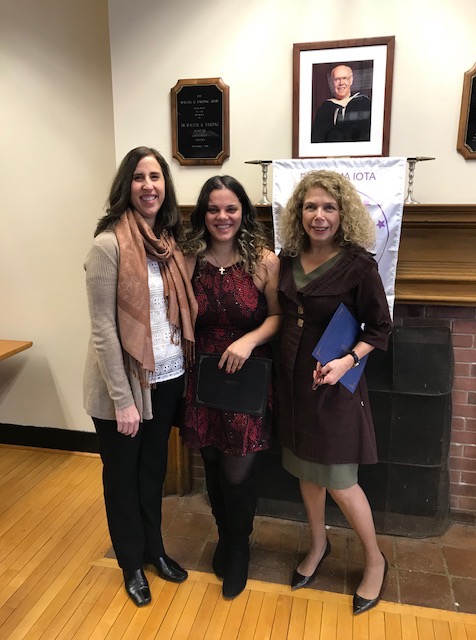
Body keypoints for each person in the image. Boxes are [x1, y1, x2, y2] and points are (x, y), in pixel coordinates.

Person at [83, 146, 198, 607]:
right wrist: (122, 400)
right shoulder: (107, 245)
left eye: (156, 176)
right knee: (122, 479)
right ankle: (131, 563)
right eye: (138, 177)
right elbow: (103, 329)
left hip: (166, 378)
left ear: (165, 185)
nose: (148, 185)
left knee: (152, 474)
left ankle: (156, 551)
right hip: (125, 389)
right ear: (125, 187)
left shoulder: (168, 243)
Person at [277, 170, 392, 615]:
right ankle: (319, 543)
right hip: (294, 378)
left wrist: (348, 359)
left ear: (343, 213)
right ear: (299, 213)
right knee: (307, 472)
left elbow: (379, 327)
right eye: (310, 207)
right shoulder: (288, 259)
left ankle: (375, 560)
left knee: (342, 482)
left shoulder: (358, 264)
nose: (319, 216)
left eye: (328, 207)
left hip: (337, 380)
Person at [180, 176, 281, 599]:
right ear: (203, 213)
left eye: (231, 209)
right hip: (201, 380)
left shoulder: (264, 261)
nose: (223, 217)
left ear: (243, 212)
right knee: (213, 466)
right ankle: (225, 537)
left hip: (246, 379)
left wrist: (248, 339)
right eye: (214, 209)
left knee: (238, 471)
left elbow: (276, 317)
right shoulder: (187, 260)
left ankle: (239, 548)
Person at [311, 64, 371, 143]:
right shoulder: (324, 109)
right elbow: (316, 139)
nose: (341, 83)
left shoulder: (364, 104)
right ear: (332, 82)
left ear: (351, 80)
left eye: (344, 78)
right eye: (337, 79)